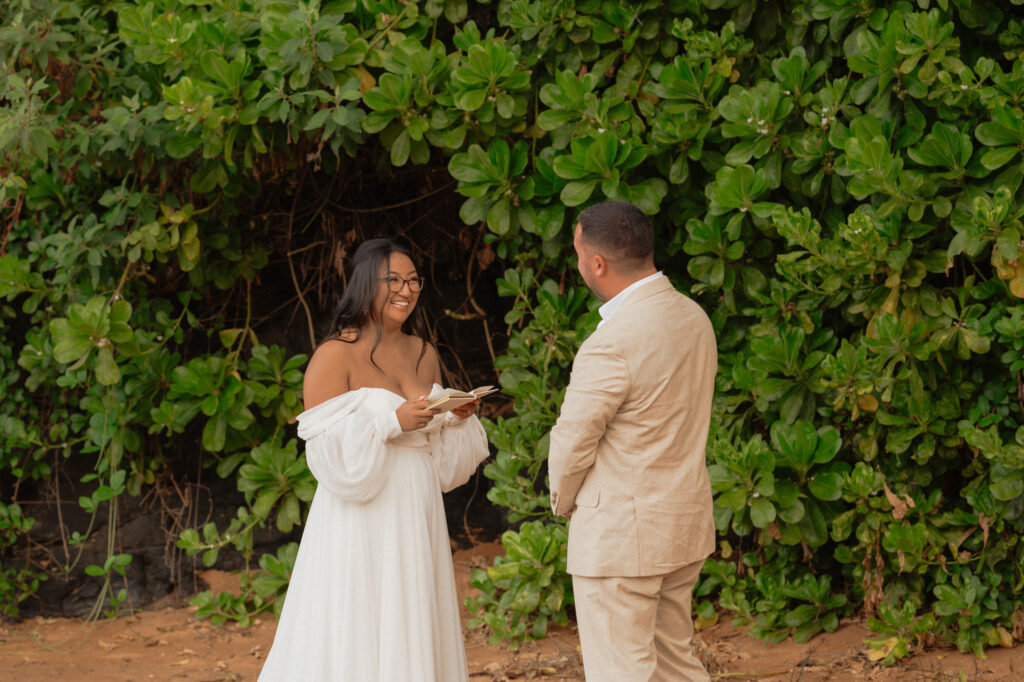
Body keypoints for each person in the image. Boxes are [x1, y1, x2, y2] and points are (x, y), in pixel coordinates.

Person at [257, 238, 489, 681]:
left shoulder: (424, 352)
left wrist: (452, 417)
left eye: (414, 280)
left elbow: (443, 465)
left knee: (411, 607)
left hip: (416, 501)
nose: (407, 289)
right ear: (366, 285)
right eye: (394, 280)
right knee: (359, 612)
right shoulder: (334, 355)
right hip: (361, 513)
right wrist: (391, 423)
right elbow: (325, 455)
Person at [547, 201, 718, 682]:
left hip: (620, 534)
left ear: (596, 263)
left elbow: (574, 440)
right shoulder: (693, 317)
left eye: (579, 253)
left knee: (621, 672)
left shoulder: (612, 340)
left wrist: (563, 500)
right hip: (682, 522)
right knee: (674, 666)